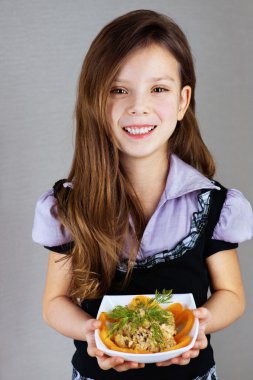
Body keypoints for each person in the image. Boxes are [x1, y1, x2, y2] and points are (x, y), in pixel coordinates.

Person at [32, 9, 253, 380]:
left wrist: (202, 322)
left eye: (159, 89)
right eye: (119, 90)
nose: (139, 106)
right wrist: (89, 332)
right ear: (96, 101)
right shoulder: (69, 207)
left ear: (183, 101)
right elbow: (54, 302)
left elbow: (232, 294)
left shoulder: (214, 204)